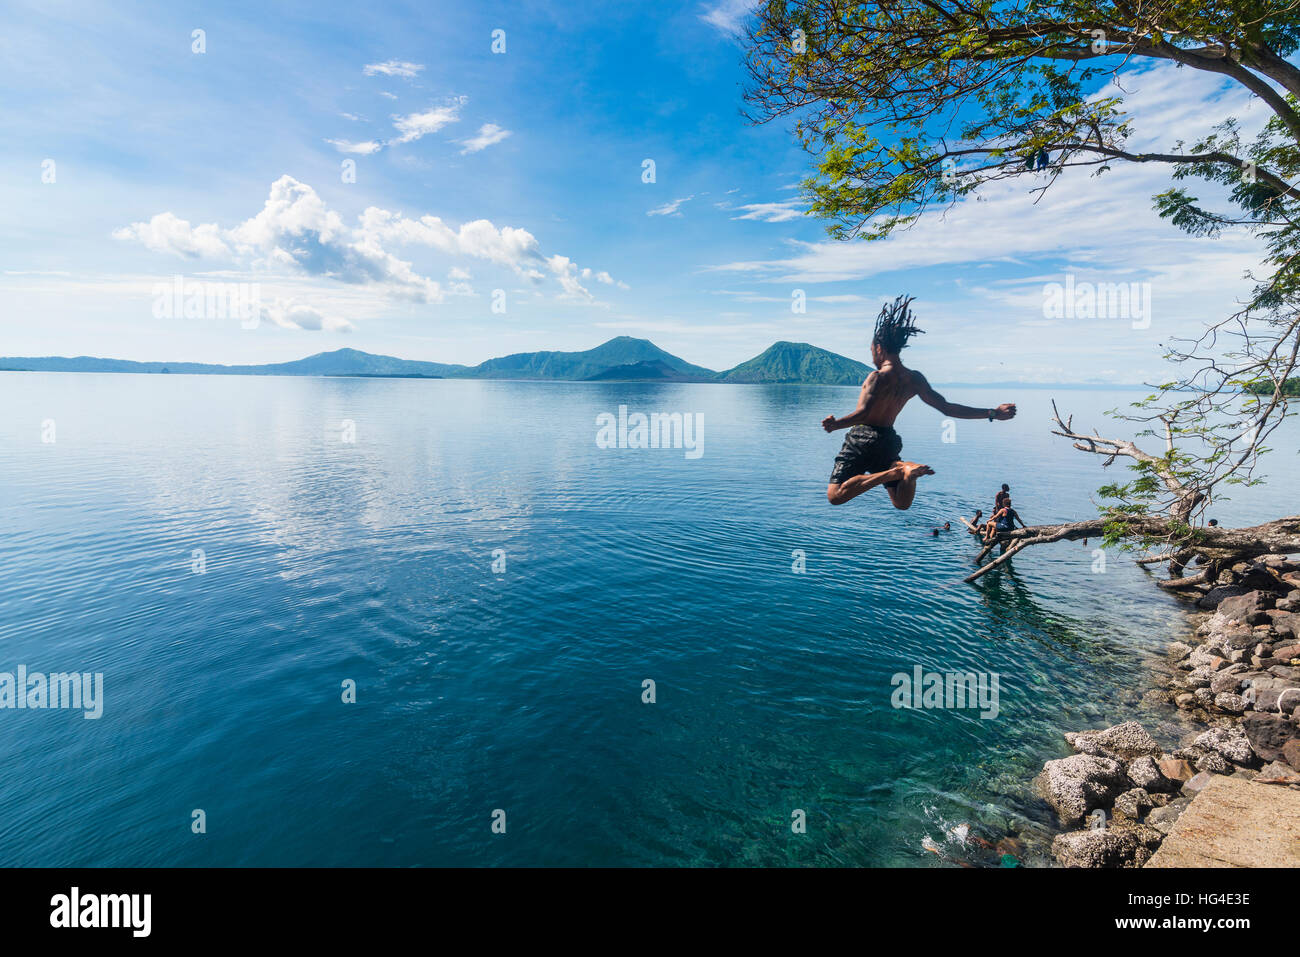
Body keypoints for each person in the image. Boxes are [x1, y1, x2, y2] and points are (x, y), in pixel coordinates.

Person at [823, 296, 1016, 509]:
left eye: (871, 351)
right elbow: (947, 408)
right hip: (887, 440)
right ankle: (905, 472)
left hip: (862, 437)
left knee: (835, 495)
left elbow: (864, 414)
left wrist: (835, 424)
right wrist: (993, 413)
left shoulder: (876, 377)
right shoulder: (914, 379)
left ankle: (895, 471)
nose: (871, 357)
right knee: (901, 502)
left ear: (879, 348)